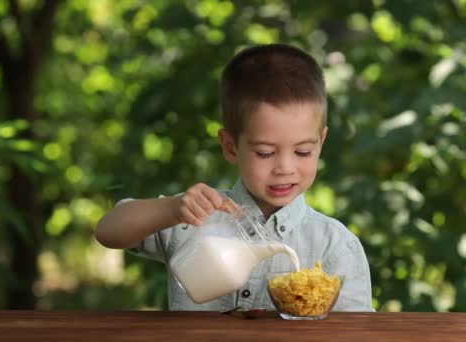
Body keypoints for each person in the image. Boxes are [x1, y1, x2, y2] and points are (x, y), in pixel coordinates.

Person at [95, 43, 374, 312]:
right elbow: (107, 231)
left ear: (321, 142)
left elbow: (358, 331)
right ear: (230, 147)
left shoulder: (334, 245)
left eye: (303, 151)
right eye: (265, 153)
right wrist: (171, 208)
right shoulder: (197, 219)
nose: (285, 168)